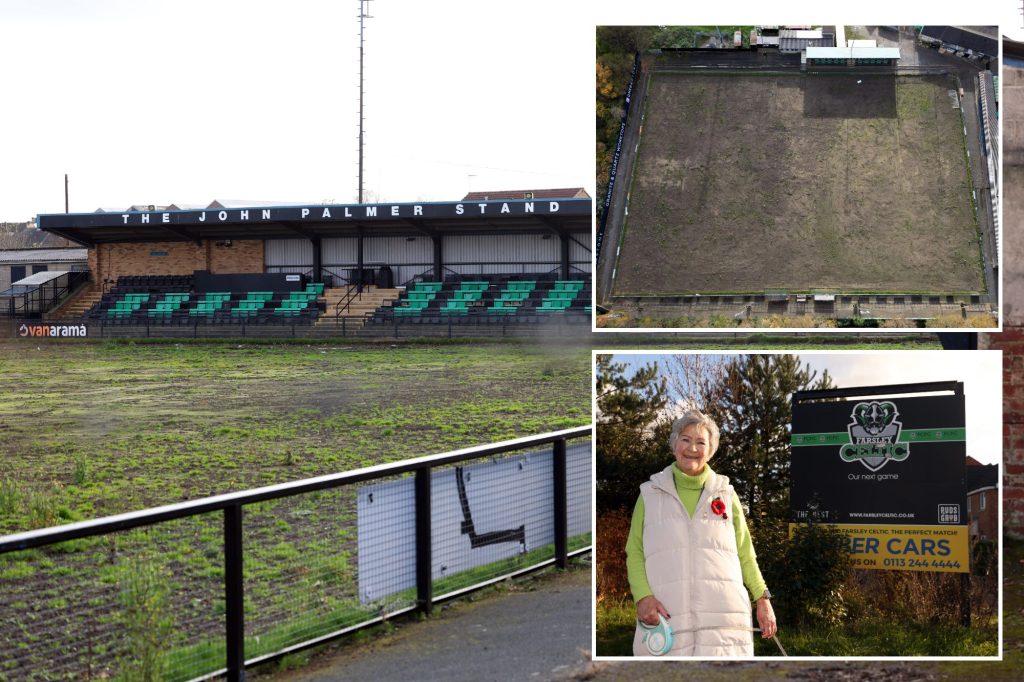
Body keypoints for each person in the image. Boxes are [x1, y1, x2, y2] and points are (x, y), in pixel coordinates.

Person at [625, 409, 777, 656]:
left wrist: (763, 599)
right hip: (666, 618)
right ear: (675, 444)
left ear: (710, 450)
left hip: (724, 623)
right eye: (685, 439)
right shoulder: (649, 494)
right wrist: (642, 597)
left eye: (700, 442)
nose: (692, 448)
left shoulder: (726, 494)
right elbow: (634, 551)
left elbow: (746, 554)